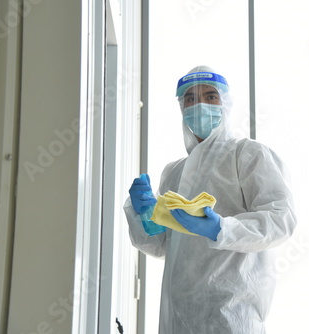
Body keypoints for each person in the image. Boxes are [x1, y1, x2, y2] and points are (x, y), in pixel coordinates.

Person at [124, 66, 297, 333]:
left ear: (226, 103)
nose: (199, 105)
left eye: (210, 96)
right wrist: (145, 215)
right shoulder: (174, 172)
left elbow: (280, 220)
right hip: (177, 316)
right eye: (190, 99)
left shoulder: (248, 155)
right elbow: (161, 245)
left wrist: (221, 228)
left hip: (232, 313)